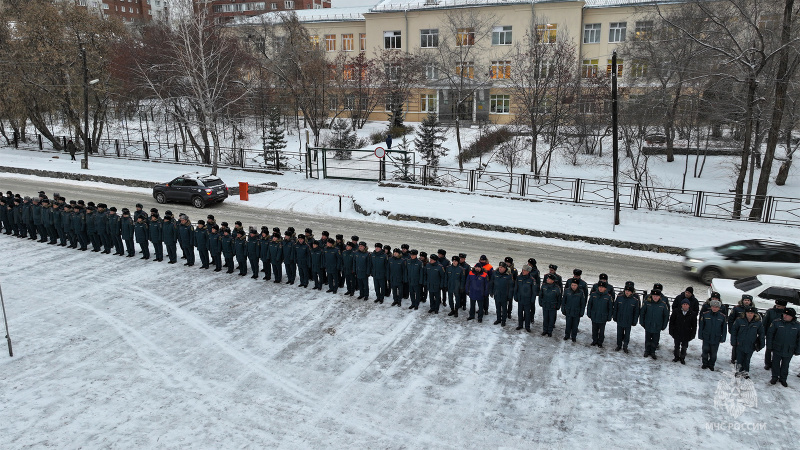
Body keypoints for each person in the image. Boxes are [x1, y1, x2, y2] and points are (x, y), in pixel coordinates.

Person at [766, 307, 800, 387]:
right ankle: (774, 377)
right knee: (775, 363)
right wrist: (769, 346)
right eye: (784, 314)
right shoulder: (776, 323)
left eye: (787, 315)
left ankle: (783, 379)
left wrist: (798, 350)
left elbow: (799, 339)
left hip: (789, 349)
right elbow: (770, 335)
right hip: (777, 347)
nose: (785, 316)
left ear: (792, 316)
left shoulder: (797, 326)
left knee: (785, 365)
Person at [730, 306, 764, 378]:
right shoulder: (739, 321)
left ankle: (745, 372)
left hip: (751, 344)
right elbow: (734, 331)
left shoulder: (758, 323)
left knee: (747, 359)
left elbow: (761, 334)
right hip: (740, 343)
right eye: (748, 312)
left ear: (754, 314)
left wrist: (761, 344)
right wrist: (733, 342)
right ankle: (738, 371)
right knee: (739, 359)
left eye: (751, 313)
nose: (749, 314)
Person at [639, 289, 670, 359]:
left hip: (657, 326)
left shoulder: (663, 305)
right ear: (651, 296)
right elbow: (642, 313)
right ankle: (647, 351)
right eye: (654, 296)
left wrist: (664, 325)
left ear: (659, 297)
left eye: (657, 296)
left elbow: (666, 316)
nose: (655, 297)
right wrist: (642, 322)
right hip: (648, 325)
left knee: (655, 340)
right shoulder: (647, 303)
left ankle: (653, 352)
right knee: (647, 339)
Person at [698, 299, 726, 371]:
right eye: (713, 306)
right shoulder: (705, 314)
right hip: (706, 336)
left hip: (716, 337)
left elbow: (724, 329)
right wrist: (700, 335)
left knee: (713, 353)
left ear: (719, 308)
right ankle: (704, 364)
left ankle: (711, 365)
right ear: (711, 307)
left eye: (716, 307)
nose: (714, 308)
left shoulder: (722, 317)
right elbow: (701, 326)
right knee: (705, 351)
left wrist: (723, 338)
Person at [613, 281, 640, 353]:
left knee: (627, 334)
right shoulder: (619, 297)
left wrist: (634, 321)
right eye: (626, 290)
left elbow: (636, 311)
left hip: (628, 320)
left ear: (632, 292)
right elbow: (616, 308)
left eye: (629, 291)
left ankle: (625, 346)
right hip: (620, 319)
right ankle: (619, 345)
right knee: (619, 333)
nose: (627, 292)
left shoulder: (635, 300)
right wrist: (615, 316)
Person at [728, 294, 755, 365]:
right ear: (742, 301)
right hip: (737, 330)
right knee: (736, 345)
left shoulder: (753, 309)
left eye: (748, 300)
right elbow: (731, 319)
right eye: (745, 300)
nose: (746, 302)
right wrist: (731, 329)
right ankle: (734, 359)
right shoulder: (736, 308)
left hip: (747, 331)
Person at [668, 299, 697, 365]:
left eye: (686, 304)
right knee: (676, 346)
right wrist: (671, 331)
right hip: (677, 332)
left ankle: (682, 358)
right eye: (684, 304)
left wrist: (692, 334)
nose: (685, 306)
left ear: (689, 306)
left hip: (686, 333)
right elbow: (671, 322)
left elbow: (694, 326)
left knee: (684, 347)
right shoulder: (676, 312)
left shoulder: (692, 314)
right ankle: (676, 357)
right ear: (681, 305)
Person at [587, 281, 613, 347]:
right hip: (594, 315)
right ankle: (594, 340)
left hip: (603, 317)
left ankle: (600, 342)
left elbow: (610, 308)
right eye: (599, 287)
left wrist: (609, 317)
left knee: (601, 331)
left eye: (602, 287)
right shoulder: (593, 295)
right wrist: (589, 313)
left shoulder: (608, 297)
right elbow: (589, 305)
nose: (600, 288)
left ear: (605, 288)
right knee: (594, 330)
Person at [763, 299, 787, 370]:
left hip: (781, 334)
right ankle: (767, 363)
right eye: (776, 305)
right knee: (768, 349)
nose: (777, 307)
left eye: (779, 306)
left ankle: (775, 363)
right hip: (770, 333)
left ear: (784, 306)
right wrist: (763, 333)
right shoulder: (770, 311)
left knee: (778, 350)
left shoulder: (786, 313)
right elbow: (765, 322)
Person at [514, 265, 537, 332]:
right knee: (520, 312)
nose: (523, 271)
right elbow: (516, 288)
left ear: (528, 271)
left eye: (525, 270)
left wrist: (532, 300)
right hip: (520, 298)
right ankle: (520, 325)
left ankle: (527, 326)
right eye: (522, 270)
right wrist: (515, 296)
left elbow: (534, 291)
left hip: (528, 299)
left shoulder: (532, 279)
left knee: (527, 314)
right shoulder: (519, 278)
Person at [490, 262, 513, 326]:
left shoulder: (508, 276)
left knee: (504, 309)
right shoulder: (495, 274)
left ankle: (503, 320)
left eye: (502, 267)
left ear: (505, 268)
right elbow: (491, 283)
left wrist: (510, 296)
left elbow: (511, 287)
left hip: (504, 295)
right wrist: (491, 292)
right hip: (497, 294)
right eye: (499, 267)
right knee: (498, 308)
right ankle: (498, 319)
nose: (500, 268)